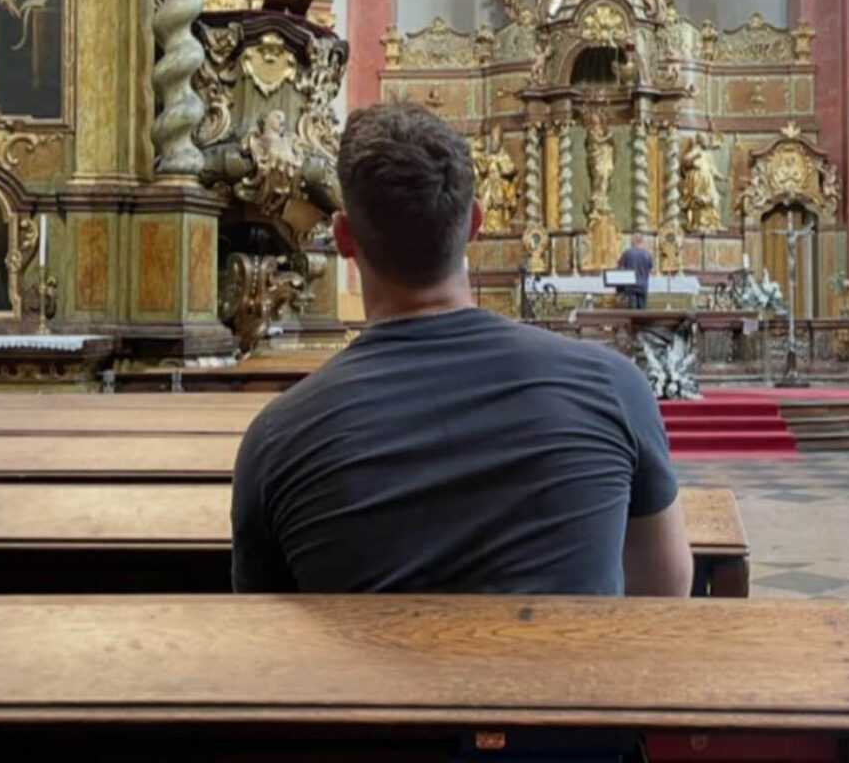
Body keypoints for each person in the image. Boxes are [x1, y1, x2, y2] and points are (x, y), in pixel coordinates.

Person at [232, 103, 691, 597]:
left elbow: (263, 620)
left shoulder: (277, 439)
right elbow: (665, 592)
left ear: (344, 237)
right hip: (566, 653)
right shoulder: (613, 388)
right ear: (475, 222)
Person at [617, 233, 654, 309]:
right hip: (643, 285)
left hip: (630, 286)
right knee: (642, 309)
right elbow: (651, 269)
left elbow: (620, 268)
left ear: (634, 241)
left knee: (632, 310)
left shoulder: (627, 253)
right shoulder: (647, 254)